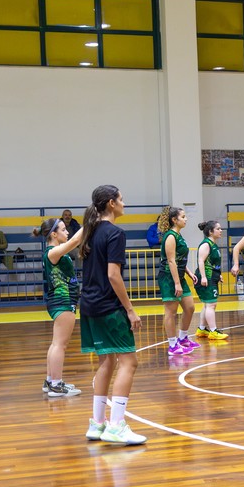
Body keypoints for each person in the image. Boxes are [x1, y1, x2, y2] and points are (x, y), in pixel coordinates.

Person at [79, 185, 146, 445]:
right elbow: (113, 275)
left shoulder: (90, 231)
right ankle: (116, 426)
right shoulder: (115, 233)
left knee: (106, 362)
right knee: (129, 362)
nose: (124, 204)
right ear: (110, 203)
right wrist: (130, 310)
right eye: (121, 199)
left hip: (89, 306)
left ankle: (97, 424)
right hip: (109, 307)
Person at [33, 218, 83, 397]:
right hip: (62, 300)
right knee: (60, 345)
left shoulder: (54, 252)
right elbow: (75, 241)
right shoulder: (53, 252)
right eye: (63, 229)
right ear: (54, 234)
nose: (67, 232)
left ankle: (51, 381)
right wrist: (93, 221)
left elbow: (73, 241)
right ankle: (56, 385)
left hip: (62, 300)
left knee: (56, 344)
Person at [157, 207, 199, 357]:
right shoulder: (170, 237)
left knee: (190, 307)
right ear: (174, 220)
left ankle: (183, 338)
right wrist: (176, 283)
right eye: (183, 216)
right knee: (171, 312)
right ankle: (172, 345)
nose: (186, 219)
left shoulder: (179, 236)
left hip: (179, 276)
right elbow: (171, 261)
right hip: (169, 278)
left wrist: (188, 272)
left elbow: (180, 259)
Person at [195, 220, 228, 341]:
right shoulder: (206, 244)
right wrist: (203, 277)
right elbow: (201, 261)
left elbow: (212, 263)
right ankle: (213, 331)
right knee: (211, 305)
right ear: (210, 231)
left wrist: (218, 275)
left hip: (212, 276)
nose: (221, 231)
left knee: (207, 304)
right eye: (218, 229)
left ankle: (202, 329)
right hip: (206, 277)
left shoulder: (213, 244)